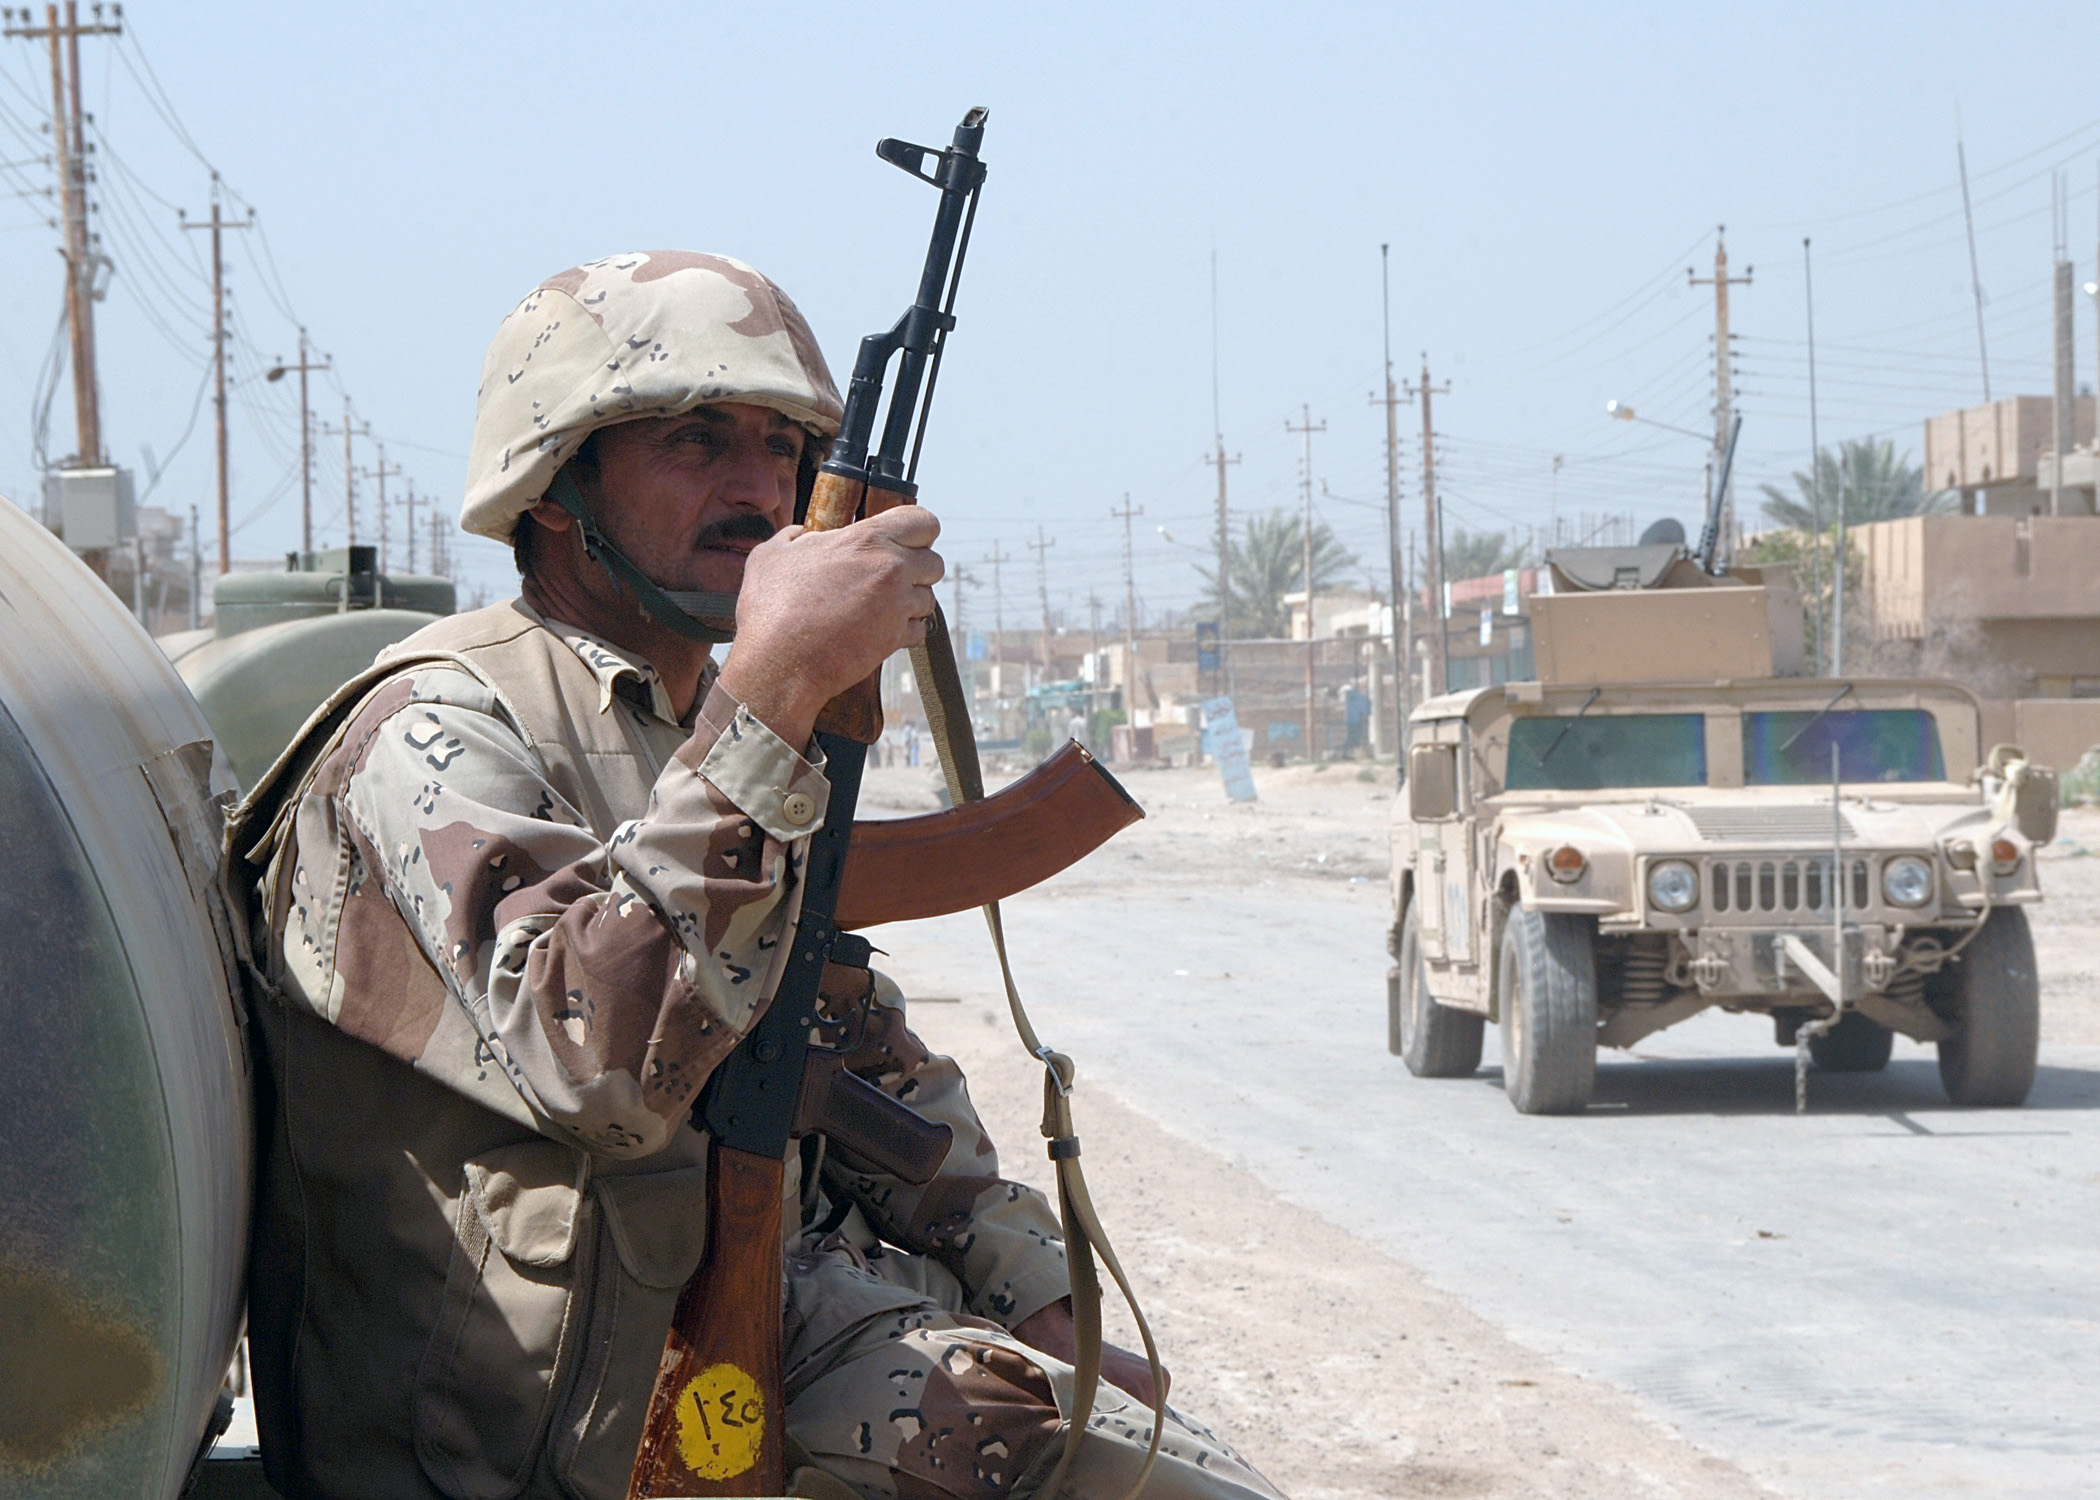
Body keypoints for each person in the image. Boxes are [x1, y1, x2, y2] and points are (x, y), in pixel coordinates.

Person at [231, 251, 1283, 1500]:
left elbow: (844, 1045)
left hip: (761, 1294)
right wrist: (774, 696)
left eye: (782, 449)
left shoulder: (696, 723)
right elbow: (601, 1069)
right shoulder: (435, 729)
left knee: (1167, 1450)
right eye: (695, 441)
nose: (758, 489)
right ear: (557, 482)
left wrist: (1033, 1282)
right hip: (541, 1416)